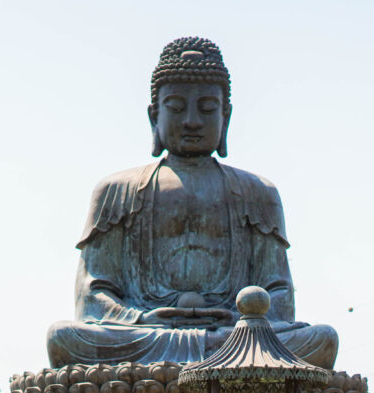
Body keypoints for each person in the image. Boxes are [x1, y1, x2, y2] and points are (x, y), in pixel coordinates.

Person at [46, 36, 338, 369]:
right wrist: (141, 319)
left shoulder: (259, 192)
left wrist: (239, 317)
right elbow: (91, 296)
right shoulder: (116, 190)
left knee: (320, 339)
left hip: (233, 340)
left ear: (225, 116)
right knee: (64, 339)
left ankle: (198, 369)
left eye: (207, 108)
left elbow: (280, 296)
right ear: (153, 116)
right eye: (176, 107)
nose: (192, 121)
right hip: (146, 336)